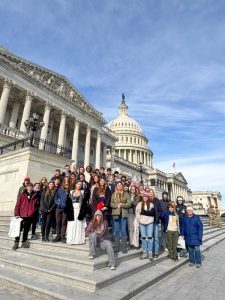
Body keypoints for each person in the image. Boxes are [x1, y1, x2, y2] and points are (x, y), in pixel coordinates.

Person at [13, 183, 39, 250]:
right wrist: (16, 214)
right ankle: (16, 242)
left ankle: (24, 241)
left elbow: (37, 205)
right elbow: (18, 205)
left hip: (29, 216)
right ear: (26, 187)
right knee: (18, 229)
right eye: (28, 186)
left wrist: (33, 211)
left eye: (31, 186)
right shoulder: (22, 195)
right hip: (21, 215)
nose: (30, 187)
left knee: (26, 230)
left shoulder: (35, 195)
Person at [110, 181, 131, 253]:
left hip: (123, 214)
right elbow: (111, 203)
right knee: (116, 230)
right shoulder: (114, 194)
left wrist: (123, 205)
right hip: (116, 214)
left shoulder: (126, 194)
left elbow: (129, 203)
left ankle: (124, 247)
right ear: (116, 186)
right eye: (117, 185)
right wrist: (117, 205)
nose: (119, 186)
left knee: (123, 230)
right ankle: (116, 247)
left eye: (120, 185)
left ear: (122, 186)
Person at [141, 189, 162, 258]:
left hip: (155, 221)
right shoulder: (146, 200)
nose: (151, 194)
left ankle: (155, 252)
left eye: (152, 192)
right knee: (149, 236)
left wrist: (158, 217)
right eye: (149, 193)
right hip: (148, 221)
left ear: (153, 193)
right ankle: (150, 251)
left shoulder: (157, 200)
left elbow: (160, 210)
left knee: (155, 237)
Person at [136, 193, 155, 261]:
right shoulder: (139, 204)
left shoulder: (151, 204)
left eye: (146, 197)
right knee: (143, 237)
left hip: (149, 222)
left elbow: (152, 213)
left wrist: (144, 213)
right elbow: (137, 212)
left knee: (150, 237)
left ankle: (150, 252)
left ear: (148, 198)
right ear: (142, 197)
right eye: (144, 197)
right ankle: (145, 252)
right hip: (142, 222)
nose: (145, 198)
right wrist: (139, 219)